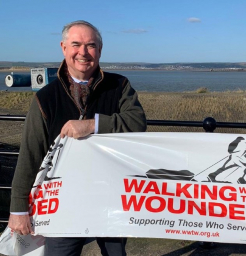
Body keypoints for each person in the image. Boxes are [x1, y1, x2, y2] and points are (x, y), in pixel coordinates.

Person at [8, 20, 147, 255]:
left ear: (100, 51)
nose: (83, 52)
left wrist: (92, 125)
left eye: (91, 45)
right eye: (76, 44)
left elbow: (137, 123)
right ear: (63, 48)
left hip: (111, 195)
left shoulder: (120, 86)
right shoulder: (45, 98)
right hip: (63, 202)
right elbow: (30, 154)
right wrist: (18, 209)